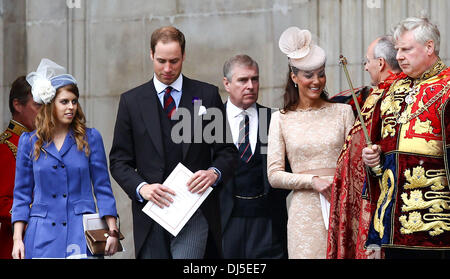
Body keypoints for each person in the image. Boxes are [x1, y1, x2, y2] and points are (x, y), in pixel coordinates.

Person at [109, 26, 238, 259]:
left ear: (184, 56)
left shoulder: (206, 95)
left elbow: (227, 151)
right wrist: (142, 188)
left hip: (196, 212)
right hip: (150, 216)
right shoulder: (131, 101)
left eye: (174, 61)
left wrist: (214, 173)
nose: (167, 69)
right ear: (150, 55)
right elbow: (119, 161)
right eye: (161, 61)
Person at [11, 58, 120, 259]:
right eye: (64, 102)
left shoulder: (91, 138)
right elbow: (21, 196)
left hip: (81, 234)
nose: (71, 107)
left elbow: (103, 189)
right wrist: (18, 239)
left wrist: (112, 230)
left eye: (74, 101)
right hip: (41, 236)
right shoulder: (29, 141)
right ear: (50, 104)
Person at [362, 17, 450, 259]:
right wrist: (373, 159)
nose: (398, 56)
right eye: (397, 49)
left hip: (436, 227)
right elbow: (381, 152)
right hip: (390, 224)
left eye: (406, 49)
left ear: (429, 47)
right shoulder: (392, 90)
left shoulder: (448, 88)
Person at [267, 27, 355, 259]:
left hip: (342, 205)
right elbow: (274, 176)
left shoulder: (343, 112)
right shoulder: (281, 118)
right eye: (309, 75)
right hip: (304, 213)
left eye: (321, 74)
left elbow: (356, 162)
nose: (317, 81)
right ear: (294, 77)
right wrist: (312, 181)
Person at [327, 35, 402, 259]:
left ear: (380, 63)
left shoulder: (392, 94)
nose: (366, 67)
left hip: (377, 193)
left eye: (367, 61)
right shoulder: (374, 93)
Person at [220, 54, 289, 259]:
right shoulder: (209, 122)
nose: (250, 85)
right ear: (227, 84)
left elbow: (290, 167)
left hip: (269, 225)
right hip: (226, 225)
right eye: (242, 80)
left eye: (255, 79)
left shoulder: (275, 119)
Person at [0, 76, 41, 259]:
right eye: (38, 106)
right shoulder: (5, 146)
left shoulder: (43, 142)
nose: (44, 113)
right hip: (17, 243)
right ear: (18, 105)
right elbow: (3, 202)